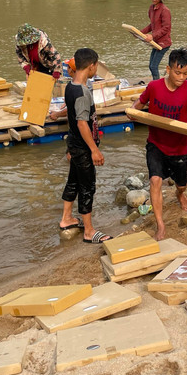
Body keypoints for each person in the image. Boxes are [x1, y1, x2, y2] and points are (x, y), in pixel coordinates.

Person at [132, 48, 187, 240]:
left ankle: (180, 194)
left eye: (185, 73)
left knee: (181, 184)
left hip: (180, 147)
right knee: (155, 180)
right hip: (156, 143)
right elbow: (139, 103)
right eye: (177, 72)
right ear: (167, 69)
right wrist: (132, 111)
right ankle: (160, 225)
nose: (181, 77)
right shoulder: (154, 86)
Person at [47, 48, 112, 243]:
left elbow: (72, 113)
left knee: (73, 181)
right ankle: (89, 231)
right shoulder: (83, 92)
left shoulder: (71, 86)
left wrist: (58, 116)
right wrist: (94, 149)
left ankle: (66, 218)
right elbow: (83, 122)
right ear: (91, 66)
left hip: (73, 144)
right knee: (87, 186)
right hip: (83, 147)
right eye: (96, 67)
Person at [140, 0, 171, 80]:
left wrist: (152, 36)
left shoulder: (165, 10)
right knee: (151, 66)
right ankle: (156, 82)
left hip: (163, 43)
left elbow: (166, 28)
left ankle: (157, 85)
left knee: (154, 66)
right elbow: (152, 25)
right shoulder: (151, 8)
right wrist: (140, 32)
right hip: (155, 42)